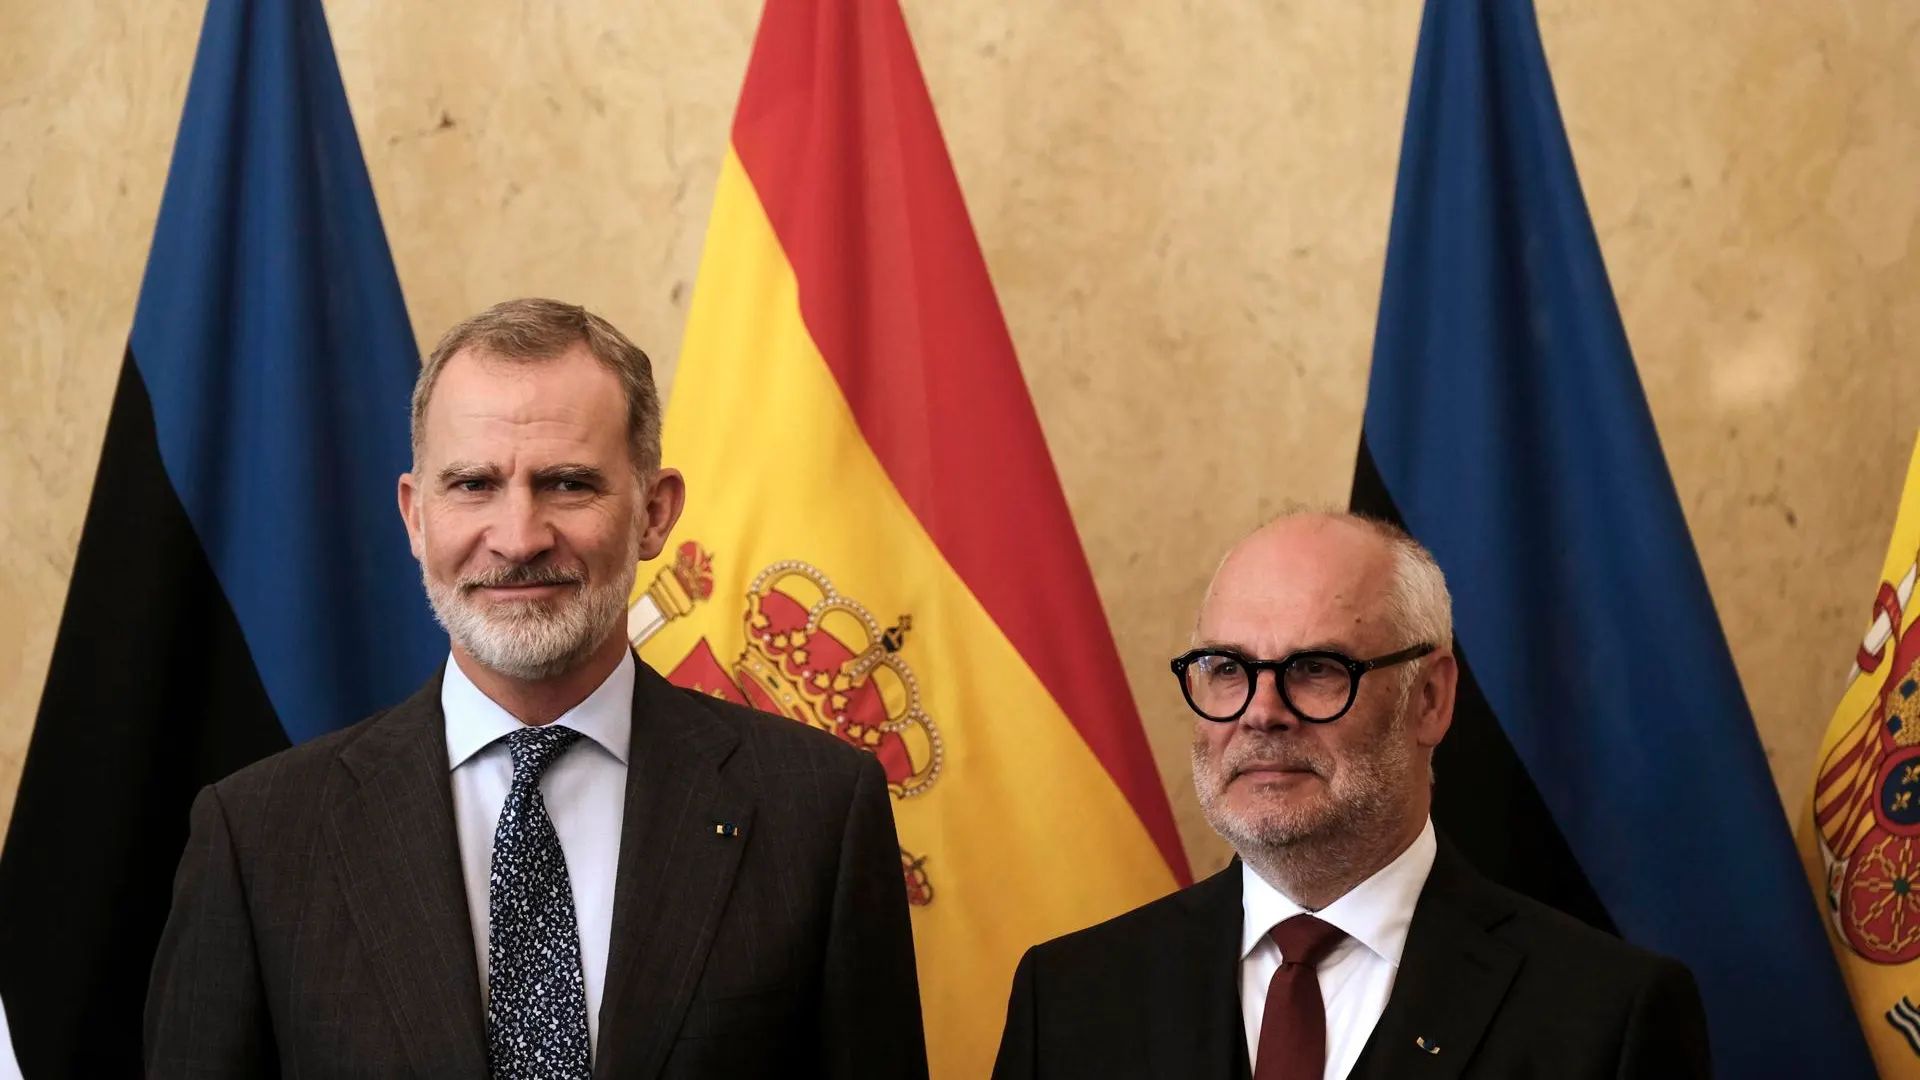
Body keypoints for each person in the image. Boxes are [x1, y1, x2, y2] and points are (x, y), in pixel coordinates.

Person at [145, 298, 928, 1079]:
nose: (519, 537)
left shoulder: (818, 812)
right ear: (417, 518)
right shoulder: (259, 838)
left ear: (654, 515)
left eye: (566, 484)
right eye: (474, 485)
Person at [992, 511, 1708, 1079]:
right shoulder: (1068, 997)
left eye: (1315, 668)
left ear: (1429, 698)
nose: (1260, 711)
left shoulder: (1607, 1018)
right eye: (1226, 668)